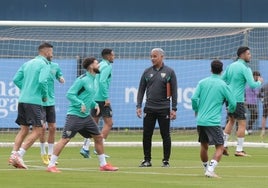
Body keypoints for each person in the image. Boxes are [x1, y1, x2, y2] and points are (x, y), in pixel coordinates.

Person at [47, 57, 118, 173]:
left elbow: (87, 97)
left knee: (99, 138)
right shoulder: (82, 79)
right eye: (96, 63)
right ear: (91, 66)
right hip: (75, 116)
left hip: (86, 117)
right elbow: (69, 94)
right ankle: (51, 165)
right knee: (65, 140)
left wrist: (94, 104)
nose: (99, 65)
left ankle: (103, 165)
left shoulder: (94, 79)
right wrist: (80, 103)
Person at [8, 42, 53, 169]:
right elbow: (42, 81)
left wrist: (26, 89)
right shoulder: (45, 64)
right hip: (34, 101)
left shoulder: (27, 63)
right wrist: (44, 95)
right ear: (46, 52)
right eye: (51, 52)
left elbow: (16, 79)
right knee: (39, 129)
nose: (52, 55)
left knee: (24, 129)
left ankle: (13, 154)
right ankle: (19, 155)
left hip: (22, 99)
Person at [191, 60, 236, 178]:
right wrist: (230, 109)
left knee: (204, 146)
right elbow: (233, 102)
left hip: (201, 120)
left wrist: (196, 109)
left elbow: (194, 98)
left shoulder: (202, 82)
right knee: (220, 147)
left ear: (210, 69)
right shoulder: (223, 85)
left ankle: (207, 169)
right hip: (213, 121)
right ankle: (210, 170)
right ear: (222, 71)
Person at [136, 48, 178, 167]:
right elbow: (141, 90)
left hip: (164, 108)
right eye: (151, 56)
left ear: (161, 57)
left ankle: (166, 161)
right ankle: (147, 160)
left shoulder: (170, 72)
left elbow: (174, 91)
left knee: (165, 135)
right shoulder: (146, 72)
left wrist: (174, 108)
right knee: (147, 134)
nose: (152, 58)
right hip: (149, 108)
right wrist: (139, 105)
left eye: (155, 56)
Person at [222, 46, 263, 157]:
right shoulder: (245, 68)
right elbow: (252, 85)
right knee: (242, 124)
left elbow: (222, 80)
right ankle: (239, 150)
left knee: (230, 121)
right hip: (238, 100)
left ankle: (223, 146)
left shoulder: (230, 66)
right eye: (248, 54)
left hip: (228, 99)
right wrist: (259, 81)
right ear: (242, 55)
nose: (250, 55)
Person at [80, 48, 115, 158]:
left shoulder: (99, 65)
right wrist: (105, 98)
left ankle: (85, 148)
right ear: (108, 56)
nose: (114, 57)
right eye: (113, 55)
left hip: (94, 97)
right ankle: (98, 147)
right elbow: (102, 81)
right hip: (101, 98)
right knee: (109, 123)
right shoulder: (107, 66)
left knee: (93, 124)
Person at [40, 61, 65, 165]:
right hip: (40, 101)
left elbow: (59, 74)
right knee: (42, 127)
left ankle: (51, 154)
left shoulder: (55, 65)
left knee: (53, 127)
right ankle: (43, 153)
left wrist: (60, 78)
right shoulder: (40, 65)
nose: (51, 54)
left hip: (51, 101)